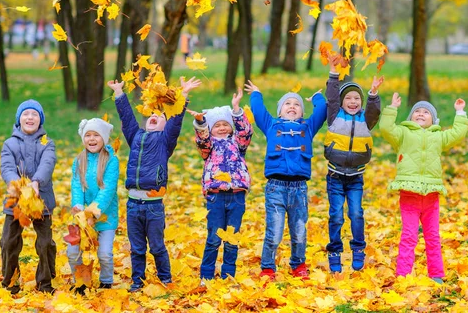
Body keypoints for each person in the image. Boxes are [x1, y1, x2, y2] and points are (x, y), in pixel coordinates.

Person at [108, 76, 201, 292]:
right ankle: (137, 281)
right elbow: (128, 118)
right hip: (133, 205)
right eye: (151, 114)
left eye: (159, 116)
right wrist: (119, 93)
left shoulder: (165, 141)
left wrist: (183, 95)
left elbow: (176, 120)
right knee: (137, 247)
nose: (154, 116)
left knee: (157, 246)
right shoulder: (136, 137)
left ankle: (165, 278)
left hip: (154, 206)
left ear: (165, 125)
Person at [379, 93, 468, 284]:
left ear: (433, 119)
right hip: (409, 194)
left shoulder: (439, 137)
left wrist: (460, 113)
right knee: (409, 236)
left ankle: (436, 274)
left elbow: (457, 134)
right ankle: (403, 275)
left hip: (431, 195)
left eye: (426, 112)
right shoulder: (403, 134)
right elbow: (386, 129)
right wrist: (392, 108)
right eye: (417, 111)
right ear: (410, 117)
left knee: (433, 236)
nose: (420, 114)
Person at [244, 80, 327, 280]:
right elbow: (258, 111)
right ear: (280, 111)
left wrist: (316, 98)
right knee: (275, 231)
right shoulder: (272, 124)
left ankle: (298, 265)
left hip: (299, 188)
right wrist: (256, 93)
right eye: (287, 104)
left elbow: (322, 110)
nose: (292, 107)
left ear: (302, 112)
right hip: (276, 188)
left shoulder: (307, 126)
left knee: (299, 231)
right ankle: (268, 267)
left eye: (297, 104)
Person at [324, 55, 383, 273]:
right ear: (341, 102)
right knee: (336, 215)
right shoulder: (334, 116)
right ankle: (335, 251)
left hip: (356, 177)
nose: (352, 102)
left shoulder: (364, 120)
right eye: (348, 98)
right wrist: (333, 72)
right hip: (335, 177)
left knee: (356, 213)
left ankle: (358, 248)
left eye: (356, 99)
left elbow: (374, 111)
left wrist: (373, 94)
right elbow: (331, 97)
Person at [187, 88, 252, 281]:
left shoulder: (238, 143)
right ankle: (206, 276)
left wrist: (236, 110)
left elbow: (245, 132)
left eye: (226, 124)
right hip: (215, 195)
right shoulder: (209, 146)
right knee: (214, 238)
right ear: (211, 129)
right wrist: (201, 122)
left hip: (236, 194)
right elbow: (202, 139)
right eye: (217, 125)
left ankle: (228, 276)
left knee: (232, 238)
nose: (222, 128)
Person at [0, 99, 57, 294]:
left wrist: (36, 182)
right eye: (26, 114)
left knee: (45, 243)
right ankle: (10, 281)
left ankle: (45, 282)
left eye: (34, 114)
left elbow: (47, 164)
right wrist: (19, 185)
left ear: (40, 120)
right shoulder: (10, 144)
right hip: (16, 200)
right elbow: (7, 167)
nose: (30, 117)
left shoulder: (47, 143)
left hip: (42, 199)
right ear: (19, 119)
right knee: (9, 241)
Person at [67, 118, 119, 294]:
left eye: (96, 135)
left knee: (104, 253)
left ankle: (106, 281)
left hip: (104, 216)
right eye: (88, 135)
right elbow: (76, 185)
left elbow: (108, 189)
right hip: (82, 218)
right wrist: (78, 206)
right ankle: (80, 281)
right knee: (73, 250)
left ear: (104, 138)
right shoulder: (79, 160)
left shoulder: (111, 160)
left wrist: (93, 213)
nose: (92, 139)